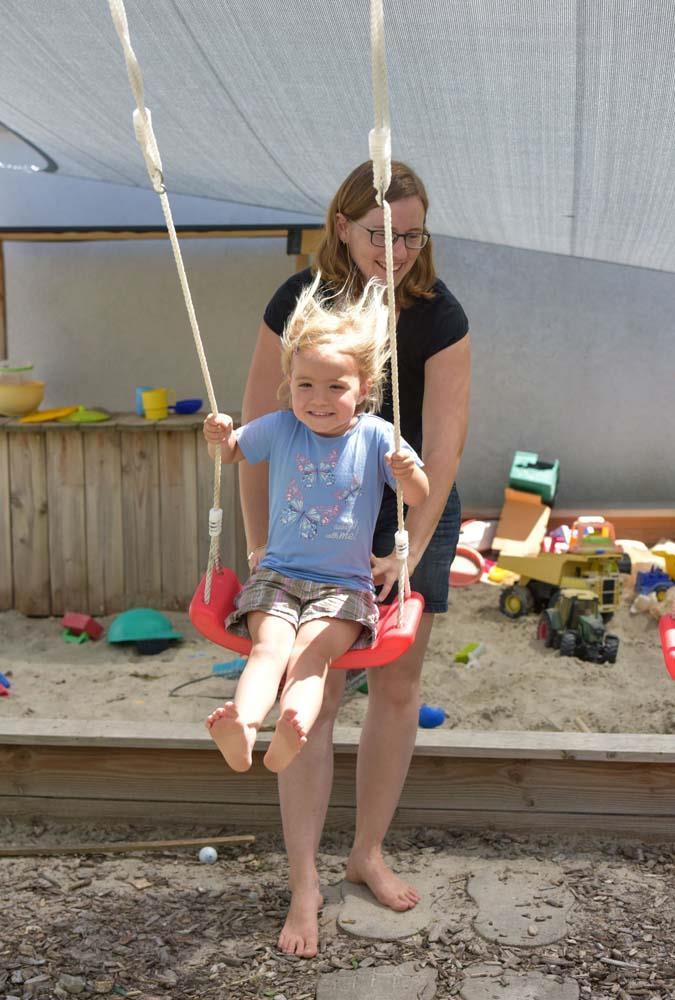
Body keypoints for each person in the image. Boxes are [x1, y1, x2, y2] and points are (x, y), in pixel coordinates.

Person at [240, 161, 471, 957]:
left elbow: (440, 450)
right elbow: (255, 437)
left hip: (409, 510)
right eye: (382, 233)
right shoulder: (296, 302)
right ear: (342, 225)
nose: (398, 249)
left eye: (411, 234)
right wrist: (257, 542)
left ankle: (366, 850)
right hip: (315, 511)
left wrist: (405, 547)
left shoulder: (438, 315)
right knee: (318, 686)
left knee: (397, 684)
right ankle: (305, 879)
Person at [203, 276, 429, 775]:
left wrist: (408, 472)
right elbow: (233, 452)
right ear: (291, 384)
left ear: (364, 389)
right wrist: (220, 435)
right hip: (278, 574)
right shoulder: (282, 426)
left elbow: (418, 496)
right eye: (305, 385)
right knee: (269, 647)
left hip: (343, 588)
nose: (317, 399)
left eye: (335, 387)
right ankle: (242, 724)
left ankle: (290, 727)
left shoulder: (375, 436)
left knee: (310, 654)